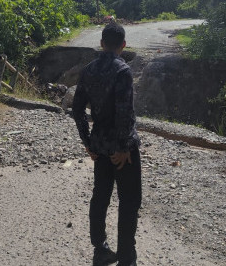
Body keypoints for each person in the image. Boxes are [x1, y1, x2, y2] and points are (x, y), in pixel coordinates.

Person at [73, 21, 142, 266]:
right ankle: (126, 259)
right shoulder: (122, 71)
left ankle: (100, 249)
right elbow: (125, 113)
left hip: (100, 146)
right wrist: (124, 148)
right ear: (123, 45)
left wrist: (88, 142)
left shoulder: (88, 70)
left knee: (100, 196)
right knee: (129, 202)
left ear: (102, 44)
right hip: (122, 151)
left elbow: (77, 109)